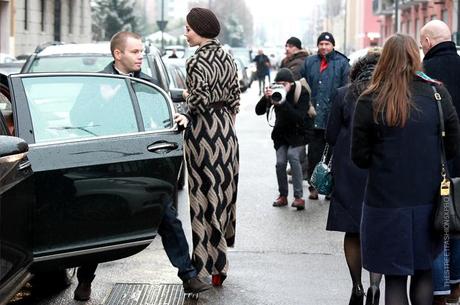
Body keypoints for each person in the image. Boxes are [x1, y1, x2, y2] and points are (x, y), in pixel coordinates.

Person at [73, 31, 210, 301]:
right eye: (135, 52)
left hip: (142, 166)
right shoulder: (95, 83)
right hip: (106, 166)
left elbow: (159, 117)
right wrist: (103, 98)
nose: (141, 56)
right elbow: (75, 117)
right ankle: (84, 281)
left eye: (142, 51)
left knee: (168, 218)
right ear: (118, 54)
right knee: (98, 225)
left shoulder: (147, 84)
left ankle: (188, 276)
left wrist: (178, 119)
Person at [351, 34, 460, 305]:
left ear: (384, 59)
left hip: (384, 203)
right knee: (424, 272)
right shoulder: (437, 93)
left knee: (394, 278)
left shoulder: (370, 98)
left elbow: (360, 157)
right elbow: (454, 146)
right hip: (429, 201)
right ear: (416, 56)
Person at [182, 7, 240, 287]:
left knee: (201, 199)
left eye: (188, 29)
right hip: (226, 133)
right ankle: (221, 266)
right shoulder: (229, 57)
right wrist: (226, 125)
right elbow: (235, 98)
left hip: (203, 134)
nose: (186, 34)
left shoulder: (196, 61)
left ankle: (205, 264)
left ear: (200, 30)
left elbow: (200, 100)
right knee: (222, 196)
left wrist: (185, 103)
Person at [325, 49, 382, 305]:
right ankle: (374, 287)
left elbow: (330, 134)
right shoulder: (389, 94)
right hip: (380, 169)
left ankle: (357, 286)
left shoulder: (343, 93)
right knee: (379, 229)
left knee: (352, 230)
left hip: (348, 169)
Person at [420, 20, 460, 305]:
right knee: (458, 221)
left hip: (437, 159)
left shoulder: (425, 73)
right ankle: (457, 285)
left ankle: (441, 292)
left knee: (439, 225)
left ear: (428, 41)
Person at [301, 32, 350, 200]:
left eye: (327, 44)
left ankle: (330, 187)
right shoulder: (309, 62)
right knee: (314, 152)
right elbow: (303, 85)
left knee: (334, 153)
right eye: (321, 44)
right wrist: (307, 106)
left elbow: (346, 89)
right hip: (314, 116)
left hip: (333, 117)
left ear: (333, 46)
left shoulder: (342, 63)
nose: (323, 47)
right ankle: (313, 185)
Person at [255, 68, 309, 210]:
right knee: (280, 163)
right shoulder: (274, 93)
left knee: (293, 156)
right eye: (277, 84)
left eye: (283, 84)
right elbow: (258, 111)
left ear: (290, 83)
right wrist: (266, 98)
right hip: (281, 135)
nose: (280, 87)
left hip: (298, 134)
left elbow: (299, 117)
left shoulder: (301, 93)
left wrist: (284, 103)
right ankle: (283, 195)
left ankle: (298, 197)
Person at [280, 36, 311, 180]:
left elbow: (292, 80)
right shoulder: (291, 61)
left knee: (299, 138)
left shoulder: (298, 63)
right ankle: (299, 168)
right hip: (293, 101)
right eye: (286, 45)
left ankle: (301, 169)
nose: (287, 48)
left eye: (291, 46)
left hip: (297, 101)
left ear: (297, 48)